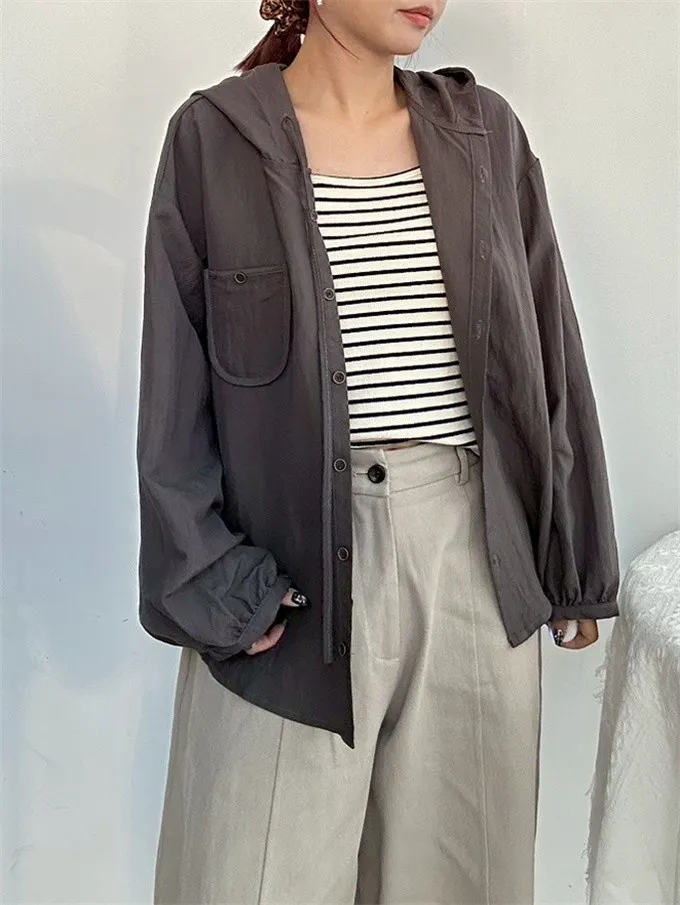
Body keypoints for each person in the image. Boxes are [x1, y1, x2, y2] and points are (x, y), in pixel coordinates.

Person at [135, 1, 620, 902]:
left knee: (459, 879)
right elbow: (175, 395)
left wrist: (574, 560)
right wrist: (219, 583)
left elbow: (550, 352)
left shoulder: (484, 132)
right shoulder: (216, 139)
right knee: (251, 877)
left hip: (475, 563)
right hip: (289, 576)